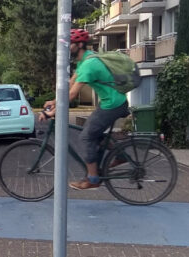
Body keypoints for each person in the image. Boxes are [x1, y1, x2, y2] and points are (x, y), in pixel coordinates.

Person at [39, 28, 130, 190]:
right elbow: (70, 84)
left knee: (86, 137)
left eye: (70, 44)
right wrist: (53, 101)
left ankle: (93, 179)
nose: (67, 47)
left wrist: (53, 112)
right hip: (110, 102)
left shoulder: (89, 65)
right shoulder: (84, 60)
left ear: (80, 44)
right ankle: (121, 155)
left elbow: (72, 95)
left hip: (113, 104)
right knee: (92, 133)